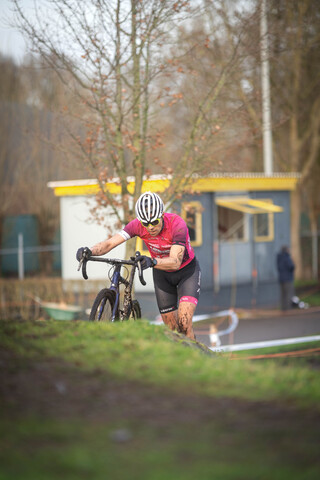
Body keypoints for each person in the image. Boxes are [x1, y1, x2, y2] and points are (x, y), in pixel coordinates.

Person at [76, 192, 201, 340]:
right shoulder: (137, 225)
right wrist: (90, 251)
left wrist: (152, 261)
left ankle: (195, 358)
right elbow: (110, 243)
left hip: (186, 273)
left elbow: (175, 262)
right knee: (172, 330)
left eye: (154, 222)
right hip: (162, 275)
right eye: (145, 223)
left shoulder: (176, 224)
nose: (150, 227)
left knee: (184, 324)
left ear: (162, 215)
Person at [276, 245, 295, 311]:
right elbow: (291, 266)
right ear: (287, 250)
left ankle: (283, 308)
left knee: (283, 295)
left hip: (281, 279)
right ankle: (288, 309)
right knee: (288, 294)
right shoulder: (287, 257)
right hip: (288, 279)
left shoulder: (279, 257)